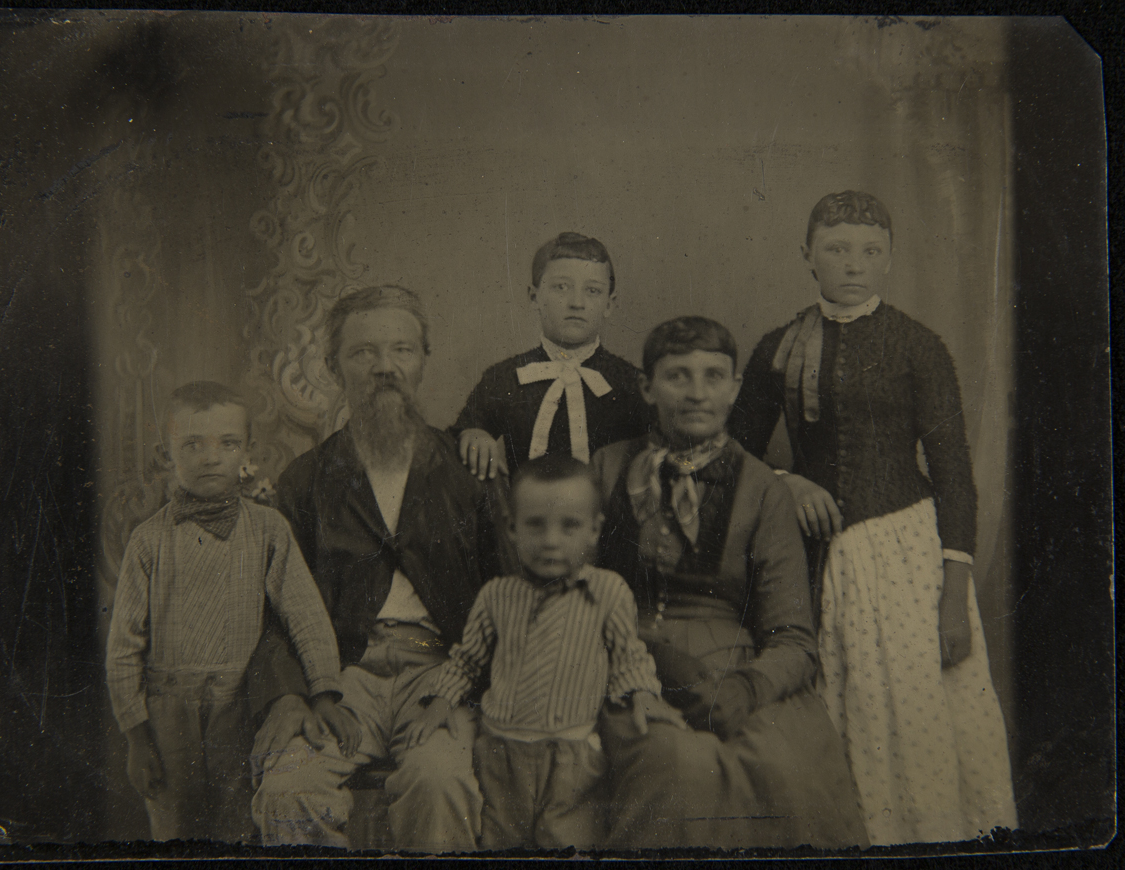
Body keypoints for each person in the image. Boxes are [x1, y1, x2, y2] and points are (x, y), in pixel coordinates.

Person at [728, 191, 1017, 845]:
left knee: (920, 725)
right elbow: (733, 451)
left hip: (908, 558)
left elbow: (953, 478)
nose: (852, 264)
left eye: (869, 251)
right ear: (807, 257)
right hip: (818, 559)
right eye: (835, 249)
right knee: (840, 721)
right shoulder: (780, 345)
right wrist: (787, 479)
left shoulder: (918, 346)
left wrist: (953, 596)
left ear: (888, 260)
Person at [592, 317, 869, 849]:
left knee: (782, 765)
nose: (697, 394)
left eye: (714, 376)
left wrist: (745, 689)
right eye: (678, 376)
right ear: (647, 387)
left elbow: (793, 638)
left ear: (736, 388)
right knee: (677, 766)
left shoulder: (763, 490)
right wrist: (637, 656)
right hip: (628, 664)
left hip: (739, 670)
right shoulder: (607, 469)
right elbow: (568, 589)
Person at [247, 286, 505, 851]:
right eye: (364, 353)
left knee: (439, 782)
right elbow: (270, 610)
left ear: (423, 361)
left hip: (442, 674)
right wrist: (288, 695)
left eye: (401, 351)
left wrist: (474, 688)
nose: (384, 367)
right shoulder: (306, 478)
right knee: (288, 789)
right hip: (336, 678)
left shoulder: (467, 472)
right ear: (333, 366)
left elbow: (505, 598)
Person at [105, 381, 352, 842]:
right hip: (166, 715)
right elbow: (123, 649)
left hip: (237, 712)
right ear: (166, 452)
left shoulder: (268, 531)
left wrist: (323, 693)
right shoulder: (148, 540)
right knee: (173, 835)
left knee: (236, 833)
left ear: (246, 450)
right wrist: (136, 739)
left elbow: (307, 617)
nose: (210, 457)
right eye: (192, 444)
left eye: (228, 443)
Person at [406, 454, 684, 849]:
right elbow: (466, 661)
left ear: (594, 530)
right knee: (500, 843)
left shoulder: (608, 592)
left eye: (569, 526)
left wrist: (644, 694)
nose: (551, 541)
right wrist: (439, 702)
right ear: (512, 529)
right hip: (501, 756)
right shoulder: (497, 596)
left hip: (572, 762)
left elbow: (628, 656)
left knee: (567, 844)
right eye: (535, 525)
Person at [451, 232, 650, 481]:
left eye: (592, 291)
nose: (577, 303)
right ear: (534, 297)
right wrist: (473, 433)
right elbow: (465, 430)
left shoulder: (631, 384)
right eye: (561, 287)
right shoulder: (504, 378)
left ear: (609, 304)